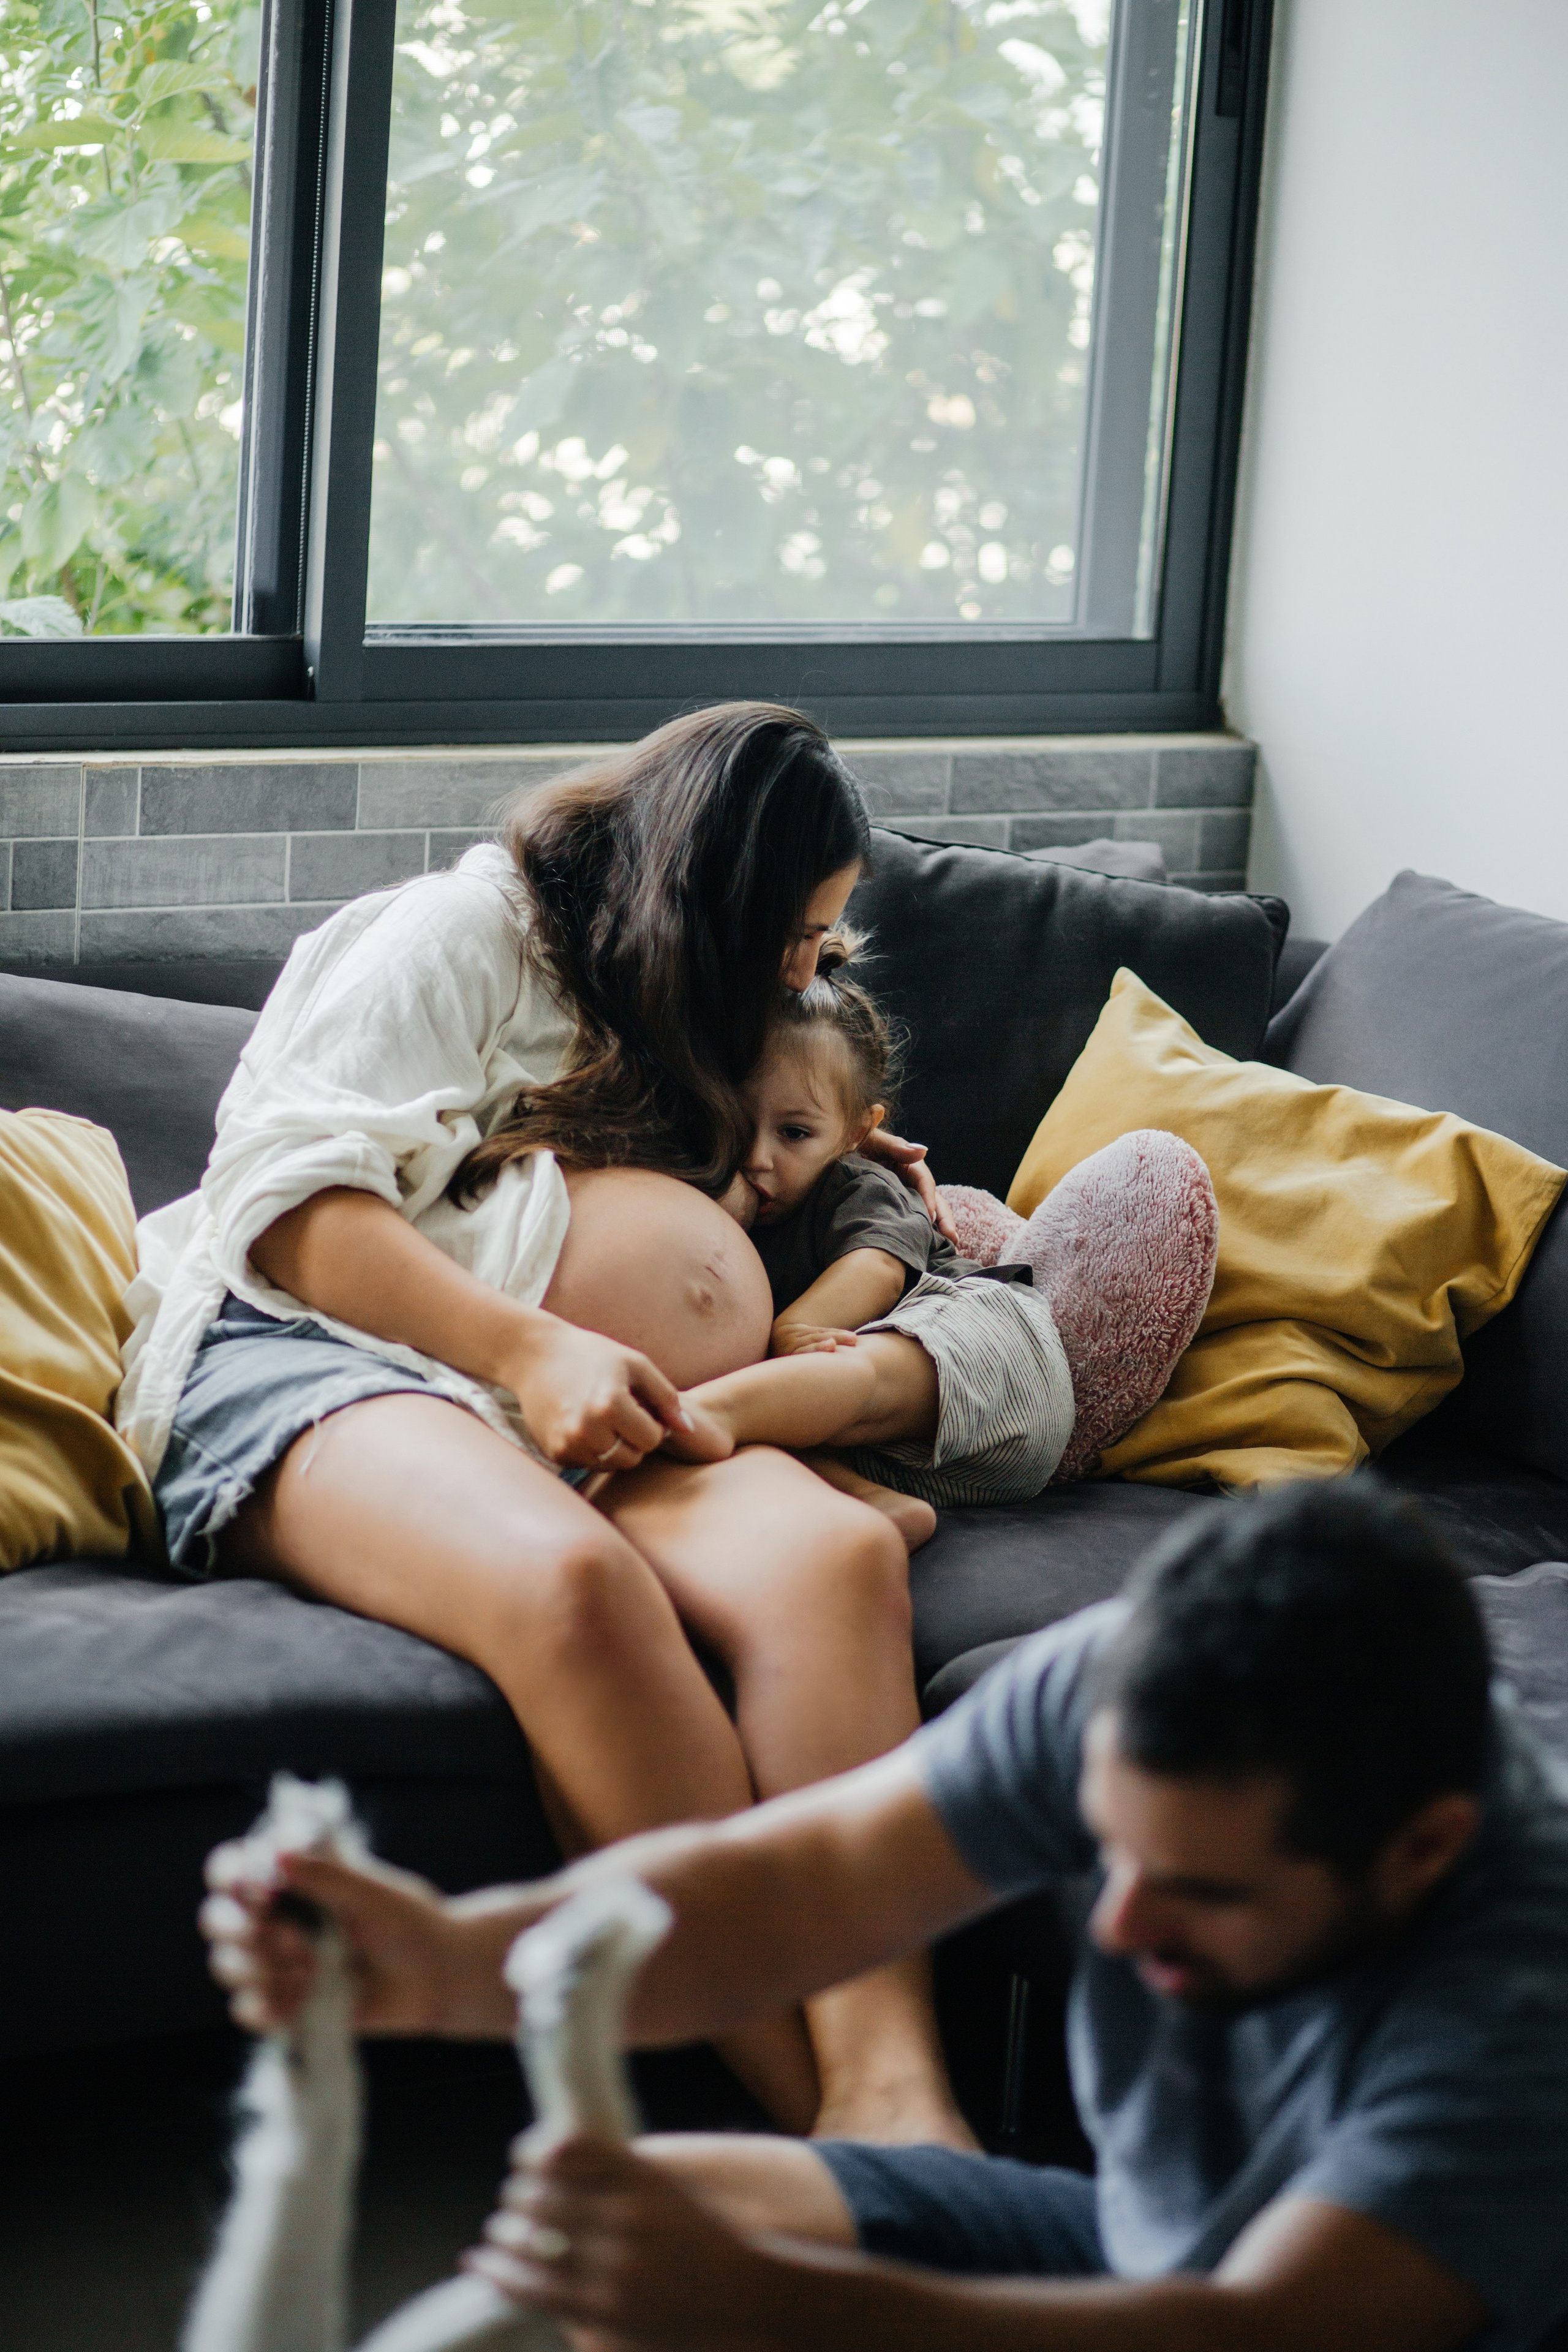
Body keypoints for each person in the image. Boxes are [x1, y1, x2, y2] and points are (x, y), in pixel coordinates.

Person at [121, 700, 974, 2142]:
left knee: (833, 1562)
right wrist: (532, 1349)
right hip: (304, 1346)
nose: (803, 967)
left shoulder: (681, 999)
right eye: (789, 934)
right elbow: (286, 1209)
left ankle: (898, 2095)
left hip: (554, 1393)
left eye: (822, 942)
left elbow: (760, 1102)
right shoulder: (458, 932)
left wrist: (830, 1136)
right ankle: (831, 2149)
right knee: (575, 1589)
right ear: (694, 894)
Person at [203, 1482, 1568, 2352]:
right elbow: (790, 1889)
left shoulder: (1527, 2004)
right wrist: (446, 1963)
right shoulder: (1132, 1690)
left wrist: (785, 2310)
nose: (1114, 1923)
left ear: (1421, 1852)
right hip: (1142, 2245)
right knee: (652, 2224)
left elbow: (1259, 2333)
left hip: (1296, 2318)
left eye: (1201, 1892)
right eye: (1110, 1851)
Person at [669, 940, 1213, 1547]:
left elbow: (876, 1270)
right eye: (737, 1123)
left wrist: (794, 1330)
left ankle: (697, 1413)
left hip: (994, 1354)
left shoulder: (859, 1185)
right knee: (782, 1428)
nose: (757, 1157)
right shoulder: (734, 1202)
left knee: (843, 1372)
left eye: (794, 1133)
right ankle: (873, 1504)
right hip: (918, 1459)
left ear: (856, 1133)